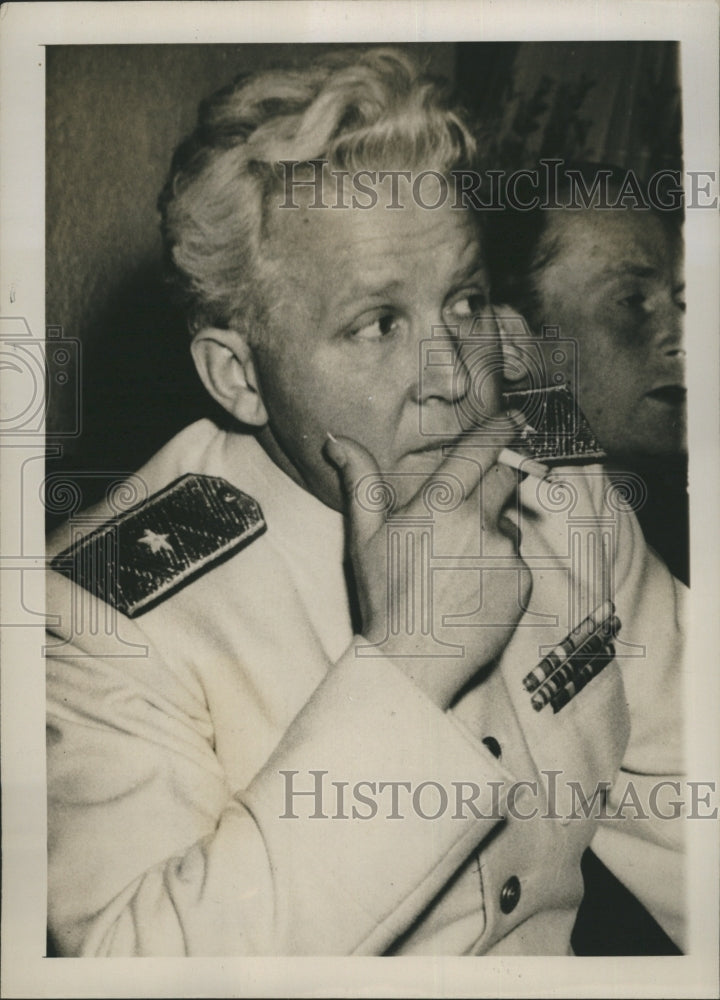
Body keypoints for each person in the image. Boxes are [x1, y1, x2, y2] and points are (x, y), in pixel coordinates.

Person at [45, 48, 685, 957]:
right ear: (239, 375)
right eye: (379, 322)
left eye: (463, 302)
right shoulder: (96, 609)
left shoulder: (561, 490)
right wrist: (407, 671)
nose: (455, 375)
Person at [486, 163, 688, 582]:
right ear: (512, 333)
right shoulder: (496, 554)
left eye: (683, 300)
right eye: (632, 301)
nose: (685, 337)